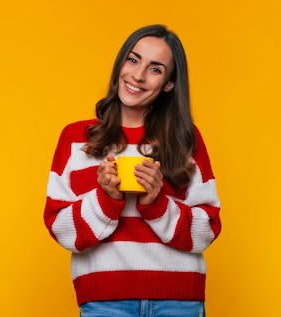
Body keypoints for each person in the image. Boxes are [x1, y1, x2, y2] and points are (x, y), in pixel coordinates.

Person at [43, 24, 222, 317]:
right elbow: (62, 231)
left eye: (155, 69)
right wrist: (105, 198)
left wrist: (156, 202)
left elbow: (207, 230)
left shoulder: (185, 139)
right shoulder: (76, 139)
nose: (138, 76)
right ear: (120, 64)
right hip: (103, 302)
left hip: (179, 303)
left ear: (168, 84)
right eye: (133, 60)